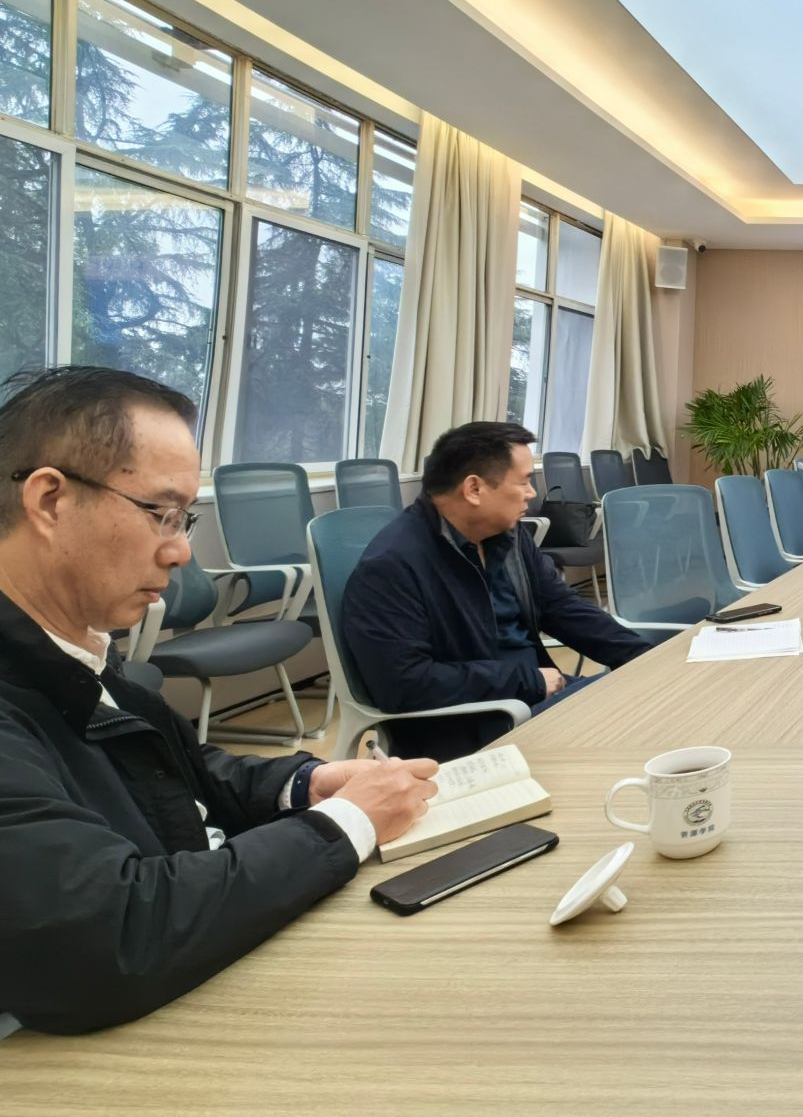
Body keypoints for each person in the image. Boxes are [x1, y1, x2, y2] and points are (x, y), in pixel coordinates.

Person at [0, 366, 440, 1034]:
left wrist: (306, 784)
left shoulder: (76, 648)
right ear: (51, 500)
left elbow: (177, 776)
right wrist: (346, 823)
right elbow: (108, 937)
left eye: (186, 519)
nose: (181, 551)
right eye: (161, 514)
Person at [342, 422, 652, 762]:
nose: (531, 493)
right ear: (474, 489)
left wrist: (646, 658)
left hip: (534, 696)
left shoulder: (508, 538)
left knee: (655, 698)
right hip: (477, 722)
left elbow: (562, 608)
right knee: (644, 724)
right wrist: (527, 681)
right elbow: (404, 684)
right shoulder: (391, 566)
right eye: (524, 481)